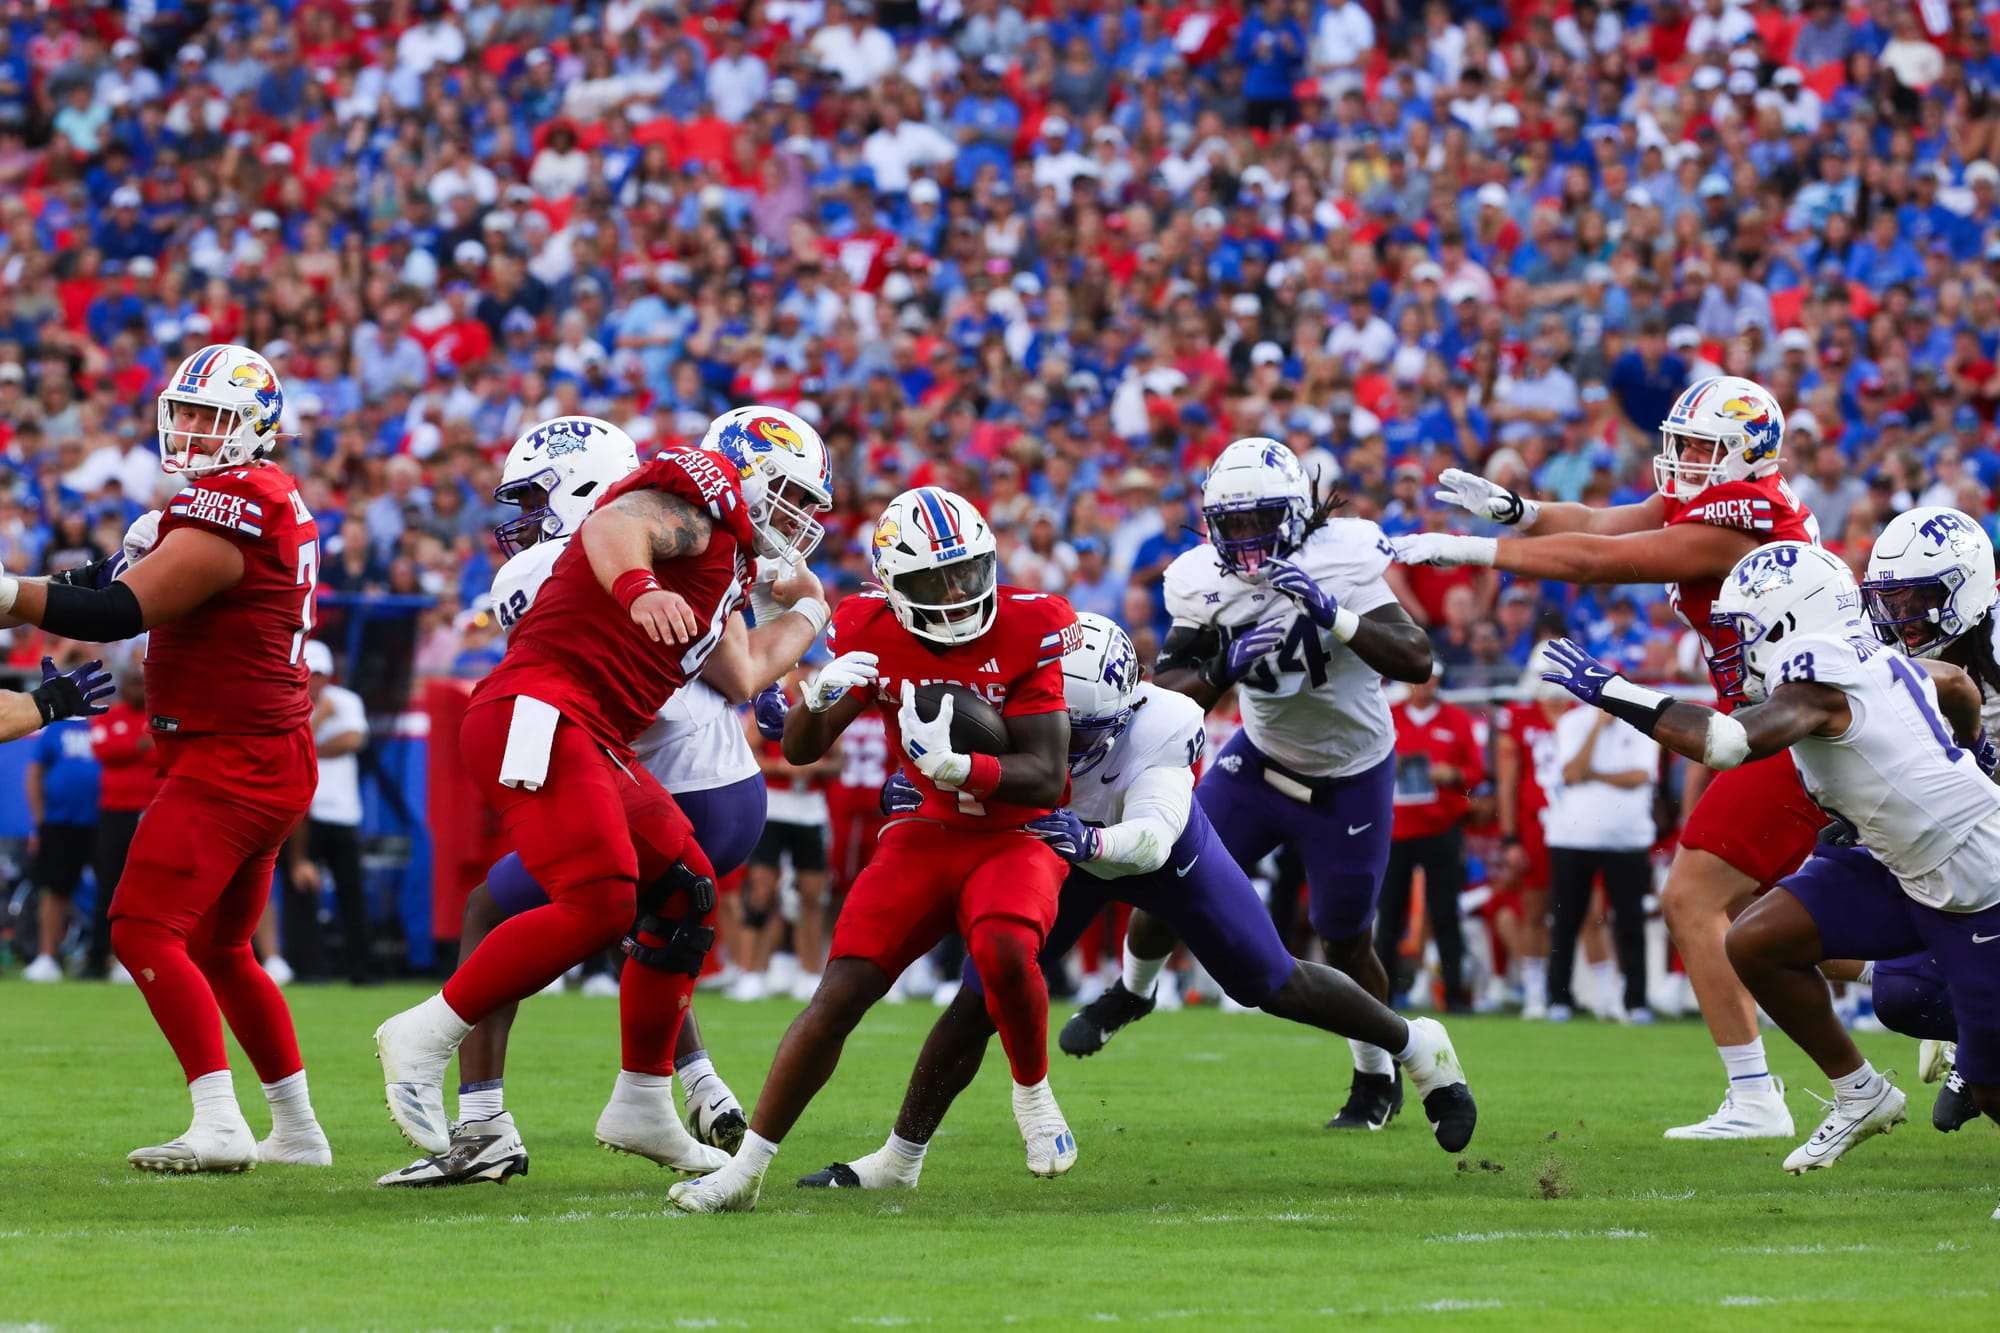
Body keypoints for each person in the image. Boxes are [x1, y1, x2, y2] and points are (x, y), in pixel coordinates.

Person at [795, 615, 1474, 1191]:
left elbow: (1151, 839)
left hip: (1155, 851)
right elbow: (958, 744)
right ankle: (900, 1160)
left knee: (1270, 980)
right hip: (1060, 849)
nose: (1066, 748)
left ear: (1128, 706)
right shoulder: (1022, 684)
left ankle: (1419, 1045)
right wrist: (919, 785)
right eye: (1057, 726)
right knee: (980, 997)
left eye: (1083, 733)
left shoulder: (1166, 724)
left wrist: (1088, 838)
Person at [373, 409, 834, 1163]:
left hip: (596, 737)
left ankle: (644, 1101)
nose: (801, 516)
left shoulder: (726, 561)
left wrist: (812, 610)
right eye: (792, 494)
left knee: (683, 891)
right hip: (543, 714)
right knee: (604, 904)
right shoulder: (700, 495)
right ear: (749, 473)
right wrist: (638, 586)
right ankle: (424, 1036)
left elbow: (745, 671)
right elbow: (614, 524)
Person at [1394, 376, 1821, 1140]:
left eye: (1700, 447)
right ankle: (1903, 1019)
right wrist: (1518, 511)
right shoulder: (1722, 499)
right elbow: (1596, 520)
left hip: (1788, 724)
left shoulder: (1737, 522)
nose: (1682, 459)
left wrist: (1472, 550)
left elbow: (1597, 560)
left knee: (1692, 898)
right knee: (1789, 912)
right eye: (1680, 443)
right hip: (1777, 720)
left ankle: (1760, 1094)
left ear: (1746, 453)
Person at [1537, 543, 2000, 1204]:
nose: (1734, 646)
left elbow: (1727, 743)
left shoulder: (1816, 672)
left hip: (1972, 880)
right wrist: (1974, 752)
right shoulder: (1864, 655)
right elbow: (1955, 684)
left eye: (1743, 628)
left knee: (1988, 1087)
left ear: (1788, 620)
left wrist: (1611, 689)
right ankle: (1861, 1093)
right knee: (1757, 940)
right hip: (1900, 862)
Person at [667, 486, 1079, 1213]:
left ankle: (1033, 1092)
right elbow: (801, 748)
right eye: (934, 580)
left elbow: (1048, 776)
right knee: (841, 989)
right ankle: (745, 1171)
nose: (955, 593)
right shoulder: (869, 627)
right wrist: (821, 696)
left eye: (966, 572)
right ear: (892, 585)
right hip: (927, 833)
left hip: (1016, 834)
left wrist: (961, 766)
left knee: (1004, 948)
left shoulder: (1030, 622)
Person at [0, 343, 333, 1173]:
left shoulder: (233, 503)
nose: (188, 428)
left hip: (232, 754)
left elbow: (113, 611)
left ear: (254, 426)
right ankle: (296, 1129)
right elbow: (92, 581)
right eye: (182, 411)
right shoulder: (249, 497)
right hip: (262, 749)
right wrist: (16, 590)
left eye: (209, 417)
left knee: (142, 924)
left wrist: (9, 593)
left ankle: (218, 1121)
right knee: (222, 948)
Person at [1101, 437, 1432, 1132]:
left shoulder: (1342, 555)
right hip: (1257, 761)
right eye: (1234, 523)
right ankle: (1133, 991)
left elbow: (1416, 658)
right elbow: (1168, 692)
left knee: (1344, 938)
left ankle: (1376, 1076)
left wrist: (1334, 613)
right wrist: (1220, 667)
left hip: (1350, 773)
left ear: (1296, 513)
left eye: (1261, 520)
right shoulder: (1201, 578)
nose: (1247, 538)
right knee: (1161, 864)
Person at [1852, 506, 2000, 1133]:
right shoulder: (1890, 655)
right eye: (1892, 600)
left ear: (1968, 590)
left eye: (1919, 600)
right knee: (1902, 993)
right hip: (1964, 846)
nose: (1902, 617)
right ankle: (1980, 1032)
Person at [1543, 695, 1660, 1023]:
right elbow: (1571, 772)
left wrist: (1594, 775)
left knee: (1630, 921)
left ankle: (1635, 1002)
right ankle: (1559, 999)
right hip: (1571, 837)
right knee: (1566, 920)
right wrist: (1596, 728)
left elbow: (1640, 776)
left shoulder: (1642, 724)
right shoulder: (1573, 722)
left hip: (1628, 839)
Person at [1377, 668, 1485, 1011]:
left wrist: (1453, 774)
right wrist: (1386, 766)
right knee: (1389, 916)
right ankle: (1381, 996)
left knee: (1446, 914)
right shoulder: (1387, 715)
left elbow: (1476, 772)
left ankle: (1453, 995)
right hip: (1396, 828)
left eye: (1431, 678)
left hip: (1442, 827)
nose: (1425, 684)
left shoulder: (1456, 719)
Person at [284, 639, 370, 984]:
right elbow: (290, 750)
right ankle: (309, 967)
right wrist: (319, 721)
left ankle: (360, 969)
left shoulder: (346, 700)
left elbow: (353, 740)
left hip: (343, 811)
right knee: (300, 891)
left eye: (320, 674)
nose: (316, 681)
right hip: (303, 812)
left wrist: (307, 748)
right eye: (311, 673)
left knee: (352, 892)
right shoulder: (289, 703)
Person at [20, 646, 104, 982]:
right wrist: (40, 819)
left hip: (105, 820)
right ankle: (46, 957)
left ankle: (112, 958)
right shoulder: (55, 724)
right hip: (60, 821)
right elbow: (34, 775)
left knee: (114, 892)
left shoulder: (106, 718)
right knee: (55, 890)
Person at [86, 665, 157, 982]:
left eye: (142, 682)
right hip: (116, 814)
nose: (138, 688)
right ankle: (98, 959)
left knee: (154, 889)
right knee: (110, 886)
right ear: (123, 685)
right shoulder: (109, 715)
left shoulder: (159, 716)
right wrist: (141, 746)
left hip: (155, 812)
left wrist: (129, 748)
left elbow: (168, 753)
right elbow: (103, 750)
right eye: (132, 682)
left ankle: (148, 959)